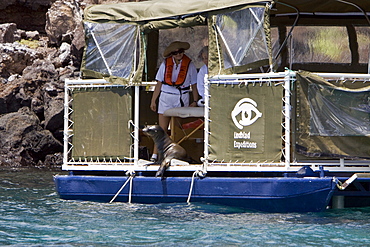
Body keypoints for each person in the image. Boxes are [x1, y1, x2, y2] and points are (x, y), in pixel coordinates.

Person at [150, 41, 199, 162]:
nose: (179, 55)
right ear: (172, 54)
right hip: (166, 96)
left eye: (181, 52)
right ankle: (154, 156)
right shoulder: (165, 64)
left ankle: (173, 155)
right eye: (176, 53)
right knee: (162, 129)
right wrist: (153, 100)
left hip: (181, 96)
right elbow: (159, 83)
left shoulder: (190, 65)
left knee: (176, 130)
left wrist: (196, 100)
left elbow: (194, 84)